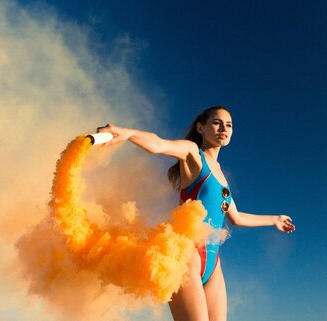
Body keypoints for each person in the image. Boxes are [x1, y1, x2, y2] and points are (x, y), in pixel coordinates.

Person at [97, 106, 295, 321]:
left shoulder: (221, 177)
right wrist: (127, 133)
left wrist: (274, 219)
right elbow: (158, 144)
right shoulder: (193, 153)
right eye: (216, 122)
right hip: (187, 257)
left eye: (229, 125)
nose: (224, 128)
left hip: (213, 265)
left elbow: (237, 218)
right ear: (201, 128)